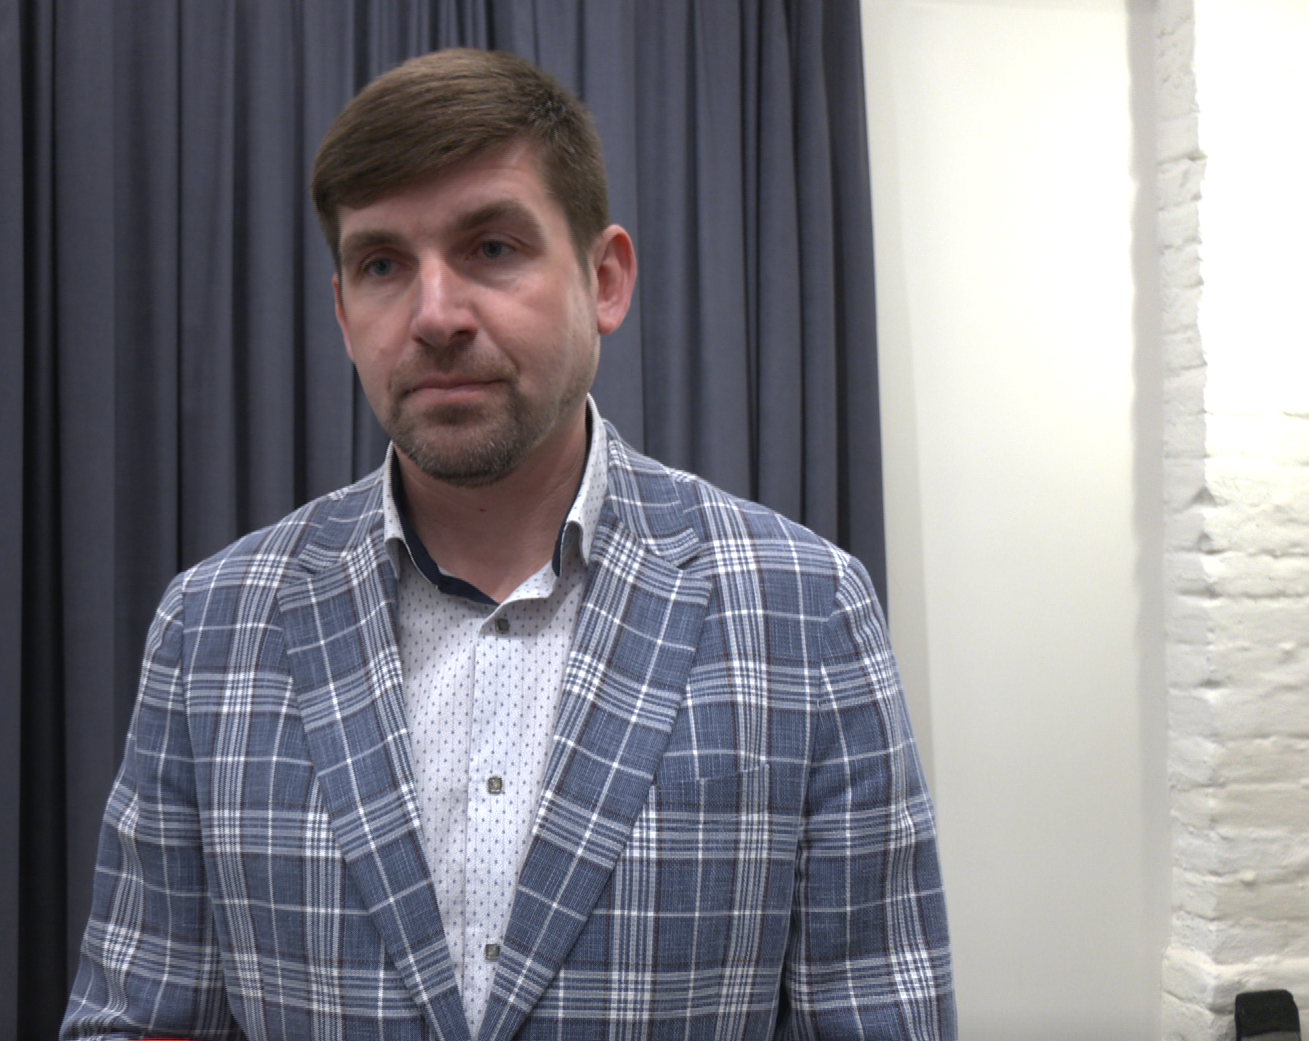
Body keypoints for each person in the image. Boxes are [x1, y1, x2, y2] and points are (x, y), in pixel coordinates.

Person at [62, 48, 954, 1041]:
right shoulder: (211, 629)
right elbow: (138, 1018)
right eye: (383, 265)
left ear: (605, 280)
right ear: (343, 312)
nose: (435, 316)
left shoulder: (805, 610)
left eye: (491, 248)